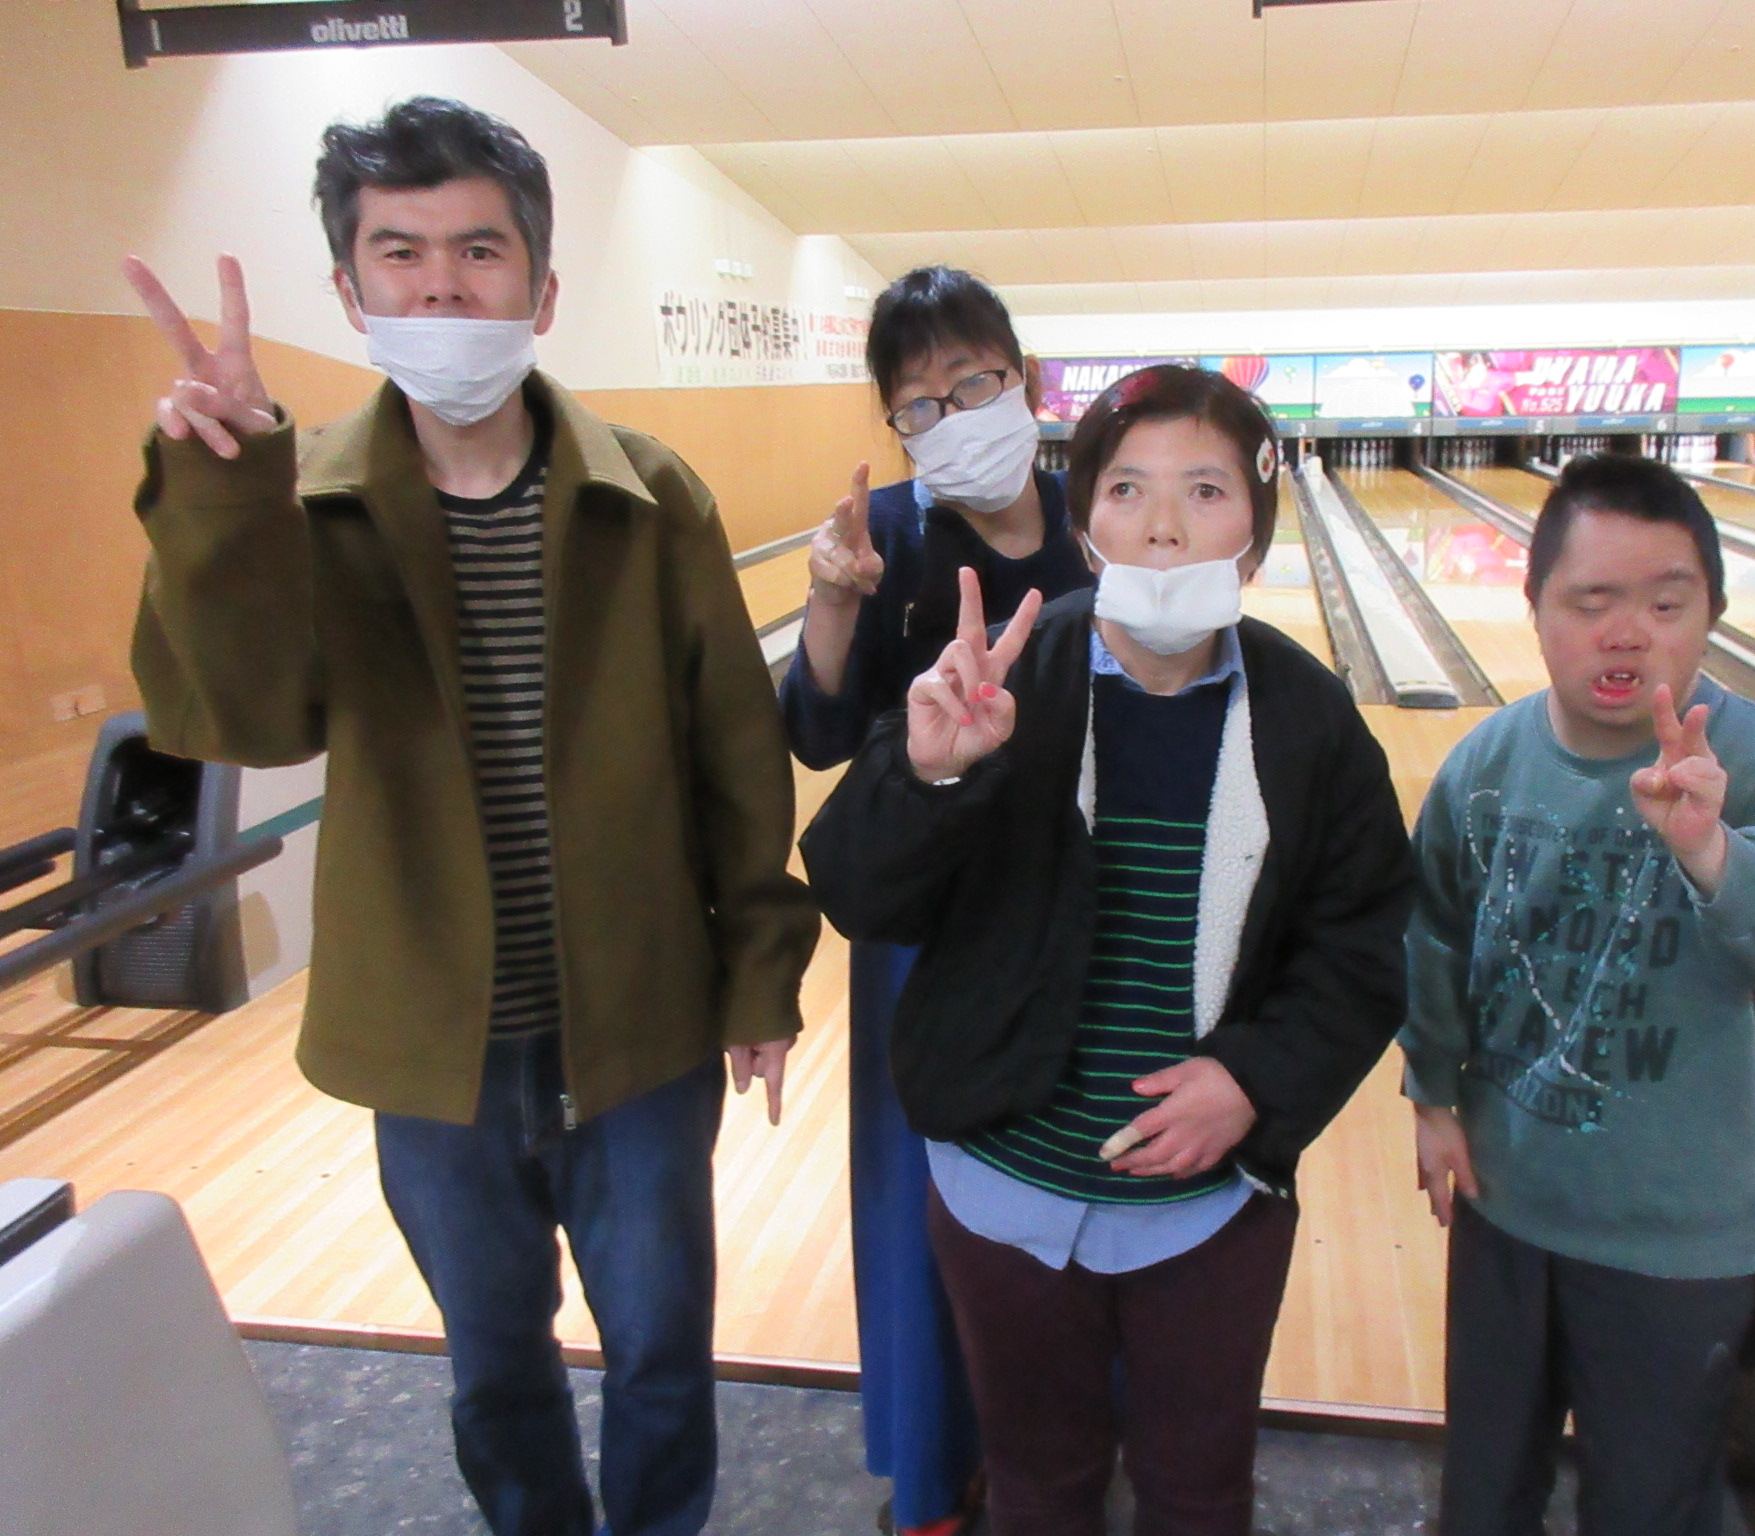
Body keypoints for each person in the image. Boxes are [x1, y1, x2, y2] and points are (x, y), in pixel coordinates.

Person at [123, 97, 817, 1536]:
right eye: (402, 252)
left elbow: (736, 756)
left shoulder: (652, 496)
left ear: (541, 290)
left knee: (662, 1352)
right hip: (432, 1041)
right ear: (351, 291)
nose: (441, 286)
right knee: (494, 1367)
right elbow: (241, 720)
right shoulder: (304, 504)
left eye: (480, 251)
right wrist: (221, 493)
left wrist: (762, 969)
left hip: (641, 1023)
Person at [801, 364, 1414, 1536]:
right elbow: (854, 891)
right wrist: (928, 774)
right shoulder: (1002, 680)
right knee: (1038, 1485)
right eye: (1127, 488)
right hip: (999, 1189)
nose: (1163, 523)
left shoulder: (1308, 719)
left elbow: (1364, 941)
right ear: (1085, 525)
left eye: (1205, 490)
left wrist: (1255, 1080)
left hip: (1209, 1208)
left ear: (1255, 535)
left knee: (1197, 1492)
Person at [1400, 453, 1755, 1536]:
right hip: (1506, 1202)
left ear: (1712, 610)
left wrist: (1716, 853)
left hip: (1678, 1234)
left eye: (1666, 605)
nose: (1627, 633)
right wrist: (1431, 1093)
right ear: (1535, 608)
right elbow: (1431, 931)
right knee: (1481, 1493)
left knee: (1647, 1507)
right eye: (1592, 602)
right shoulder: (1485, 765)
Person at [781, 266, 1094, 1536]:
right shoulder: (889, 536)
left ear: (1024, 378)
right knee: (919, 1220)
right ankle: (932, 1480)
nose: (950, 416)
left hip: (1077, 914)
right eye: (917, 403)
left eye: (971, 383)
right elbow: (815, 734)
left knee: (1075, 1202)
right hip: (923, 932)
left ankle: (1065, 1462)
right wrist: (830, 601)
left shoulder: (1097, 517)